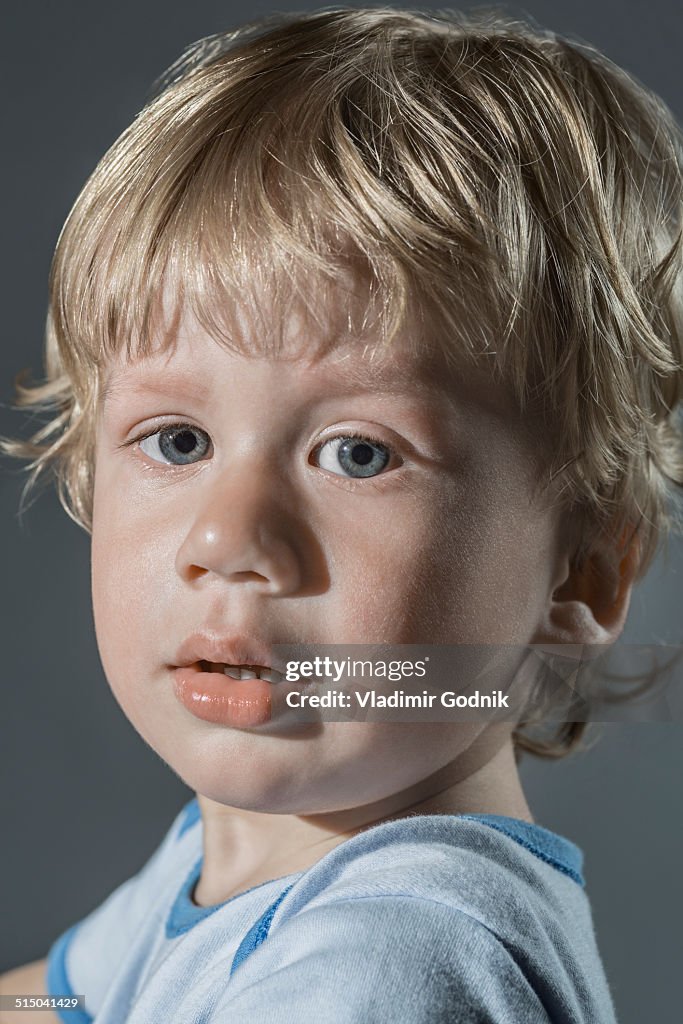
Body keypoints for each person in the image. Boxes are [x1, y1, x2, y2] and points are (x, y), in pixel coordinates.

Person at [1, 6, 682, 1022]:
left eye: (358, 453)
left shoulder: (391, 958)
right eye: (177, 439)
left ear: (580, 571)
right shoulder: (237, 848)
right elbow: (54, 1006)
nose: (227, 540)